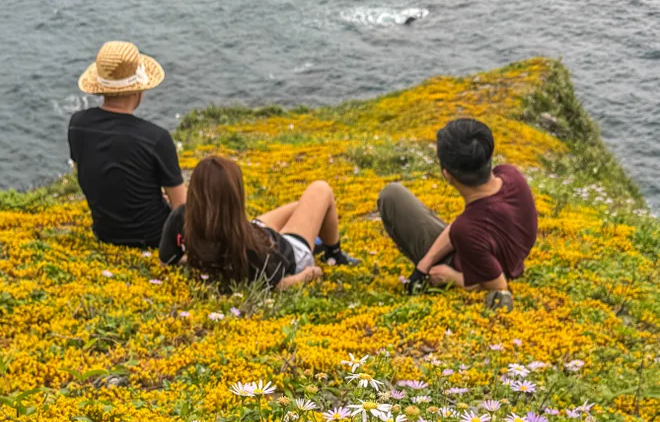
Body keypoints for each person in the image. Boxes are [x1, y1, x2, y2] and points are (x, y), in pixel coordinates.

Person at [377, 118, 538, 312]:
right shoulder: (511, 175)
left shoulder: (468, 230)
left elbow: (500, 286)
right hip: (505, 257)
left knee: (392, 195)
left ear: (447, 175)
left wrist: (453, 278)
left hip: (470, 265)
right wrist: (423, 265)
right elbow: (467, 227)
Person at [159, 155, 359, 290]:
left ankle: (318, 233)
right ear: (236, 199)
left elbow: (168, 259)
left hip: (255, 230)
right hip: (288, 249)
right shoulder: (252, 252)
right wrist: (308, 274)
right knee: (321, 190)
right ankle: (334, 254)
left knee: (302, 206)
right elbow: (279, 284)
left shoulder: (181, 217)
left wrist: (197, 260)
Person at [69, 41, 186, 249]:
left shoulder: (77, 125)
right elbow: (181, 211)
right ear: (138, 90)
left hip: (105, 233)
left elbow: (90, 176)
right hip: (155, 238)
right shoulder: (156, 138)